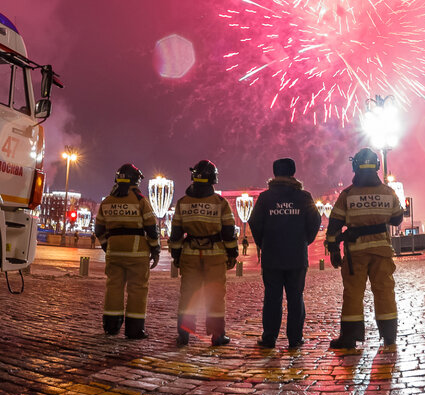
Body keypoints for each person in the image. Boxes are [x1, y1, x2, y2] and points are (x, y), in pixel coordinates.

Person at [324, 148, 405, 349]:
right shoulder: (388, 192)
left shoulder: (348, 195)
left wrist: (334, 249)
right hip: (382, 252)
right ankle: (389, 336)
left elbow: (334, 225)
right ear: (377, 166)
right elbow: (397, 218)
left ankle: (350, 338)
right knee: (385, 292)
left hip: (356, 253)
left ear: (355, 167)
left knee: (353, 294)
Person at [248, 157, 320, 349]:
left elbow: (254, 223)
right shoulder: (304, 197)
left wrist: (263, 243)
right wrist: (305, 240)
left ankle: (269, 337)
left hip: (272, 256)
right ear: (293, 172)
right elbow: (315, 221)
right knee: (296, 297)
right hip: (297, 255)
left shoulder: (265, 198)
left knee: (272, 297)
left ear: (274, 173)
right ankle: (295, 339)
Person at [169, 160, 238, 346]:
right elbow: (229, 232)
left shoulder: (182, 203)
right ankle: (217, 335)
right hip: (215, 256)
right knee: (215, 296)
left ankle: (184, 335)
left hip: (189, 254)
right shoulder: (220, 203)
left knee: (188, 295)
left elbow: (175, 234)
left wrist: (176, 256)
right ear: (213, 179)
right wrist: (233, 254)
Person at [93, 163, 160, 339]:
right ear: (136, 181)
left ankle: (111, 326)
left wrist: (108, 246)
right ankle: (135, 329)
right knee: (137, 289)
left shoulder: (107, 202)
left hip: (114, 252)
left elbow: (99, 229)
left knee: (113, 287)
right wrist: (155, 249)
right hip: (137, 253)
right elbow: (151, 228)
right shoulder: (140, 201)